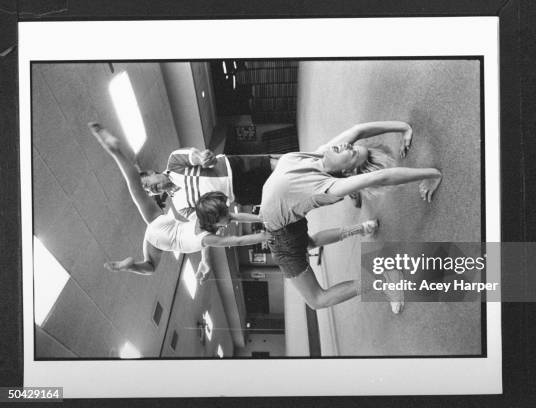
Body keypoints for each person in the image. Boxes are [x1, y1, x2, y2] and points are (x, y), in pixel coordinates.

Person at [258, 121, 443, 314]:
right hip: (287, 223)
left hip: (280, 234)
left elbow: (381, 177)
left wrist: (432, 174)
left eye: (352, 153)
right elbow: (358, 131)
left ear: (347, 171)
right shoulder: (318, 155)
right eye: (353, 147)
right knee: (309, 243)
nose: (348, 146)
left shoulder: (326, 186)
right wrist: (404, 127)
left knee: (317, 300)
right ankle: (364, 228)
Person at [88, 122, 268, 283]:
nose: (152, 191)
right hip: (163, 228)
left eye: (148, 185)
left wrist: (264, 235)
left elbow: (236, 239)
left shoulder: (206, 236)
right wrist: (205, 260)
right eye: (150, 192)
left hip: (168, 233)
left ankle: (115, 151)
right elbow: (228, 220)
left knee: (150, 266)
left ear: (151, 172)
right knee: (136, 191)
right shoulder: (187, 212)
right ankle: (115, 151)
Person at [140, 147, 281, 211]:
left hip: (236, 168)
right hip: (239, 195)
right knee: (279, 196)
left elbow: (197, 157)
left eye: (146, 184)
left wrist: (204, 159)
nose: (150, 189)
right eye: (147, 192)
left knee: (279, 167)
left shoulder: (174, 161)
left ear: (151, 172)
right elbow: (206, 220)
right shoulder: (179, 205)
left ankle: (302, 164)